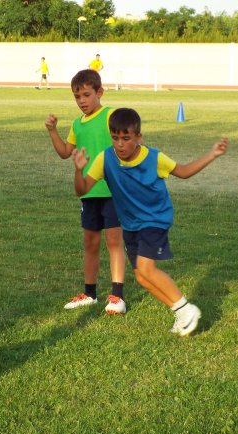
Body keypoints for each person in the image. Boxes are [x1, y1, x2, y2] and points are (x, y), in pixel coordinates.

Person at [73, 107, 229, 336]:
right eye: (115, 138)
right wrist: (78, 170)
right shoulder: (104, 158)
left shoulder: (155, 157)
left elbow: (184, 172)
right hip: (131, 224)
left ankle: (188, 310)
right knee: (141, 276)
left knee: (147, 268)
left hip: (155, 220)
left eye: (126, 138)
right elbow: (82, 189)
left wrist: (212, 154)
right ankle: (179, 311)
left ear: (138, 137)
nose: (120, 144)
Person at [45, 69, 126, 314]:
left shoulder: (111, 115)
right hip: (89, 192)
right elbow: (64, 152)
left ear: (99, 92)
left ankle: (117, 296)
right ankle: (89, 293)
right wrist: (52, 131)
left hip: (113, 192)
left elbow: (129, 142)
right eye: (77, 96)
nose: (82, 101)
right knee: (90, 242)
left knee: (114, 240)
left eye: (86, 95)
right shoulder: (77, 125)